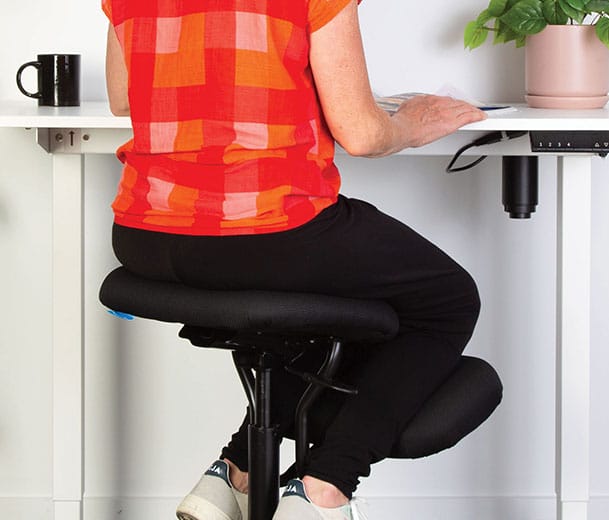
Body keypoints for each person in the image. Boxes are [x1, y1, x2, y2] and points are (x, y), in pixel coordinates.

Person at [103, 0, 486, 519]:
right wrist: (412, 121)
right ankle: (326, 484)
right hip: (266, 229)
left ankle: (233, 474)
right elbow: (363, 135)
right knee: (447, 299)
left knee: (349, 309)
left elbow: (124, 99)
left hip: (145, 234)